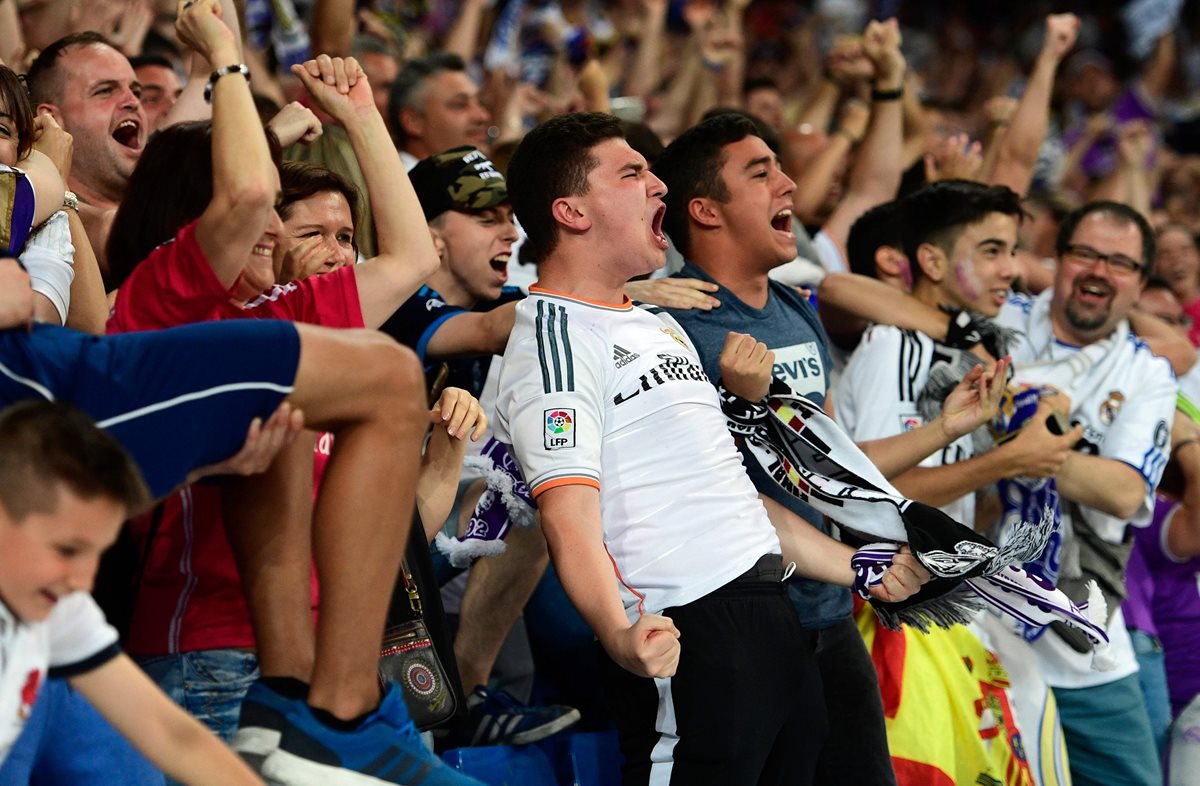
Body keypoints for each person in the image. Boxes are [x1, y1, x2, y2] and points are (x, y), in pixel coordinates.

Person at [496, 111, 928, 785]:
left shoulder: (656, 323)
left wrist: (859, 567)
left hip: (773, 618)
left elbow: (735, 495)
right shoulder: (553, 337)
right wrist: (616, 632)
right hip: (689, 637)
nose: (658, 186)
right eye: (633, 173)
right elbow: (568, 514)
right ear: (571, 211)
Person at [652, 114, 1017, 786]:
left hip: (830, 616)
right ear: (704, 210)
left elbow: (829, 464)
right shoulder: (672, 333)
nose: (788, 183)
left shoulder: (794, 311)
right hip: (738, 629)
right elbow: (721, 494)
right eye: (761, 173)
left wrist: (945, 429)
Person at [0, 399, 265, 786]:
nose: (83, 582)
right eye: (67, 550)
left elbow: (173, 735)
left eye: (97, 554)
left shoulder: (55, 602)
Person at [387, 53, 490, 170]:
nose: (482, 117)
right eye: (460, 105)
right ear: (413, 121)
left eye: (481, 103)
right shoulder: (392, 185)